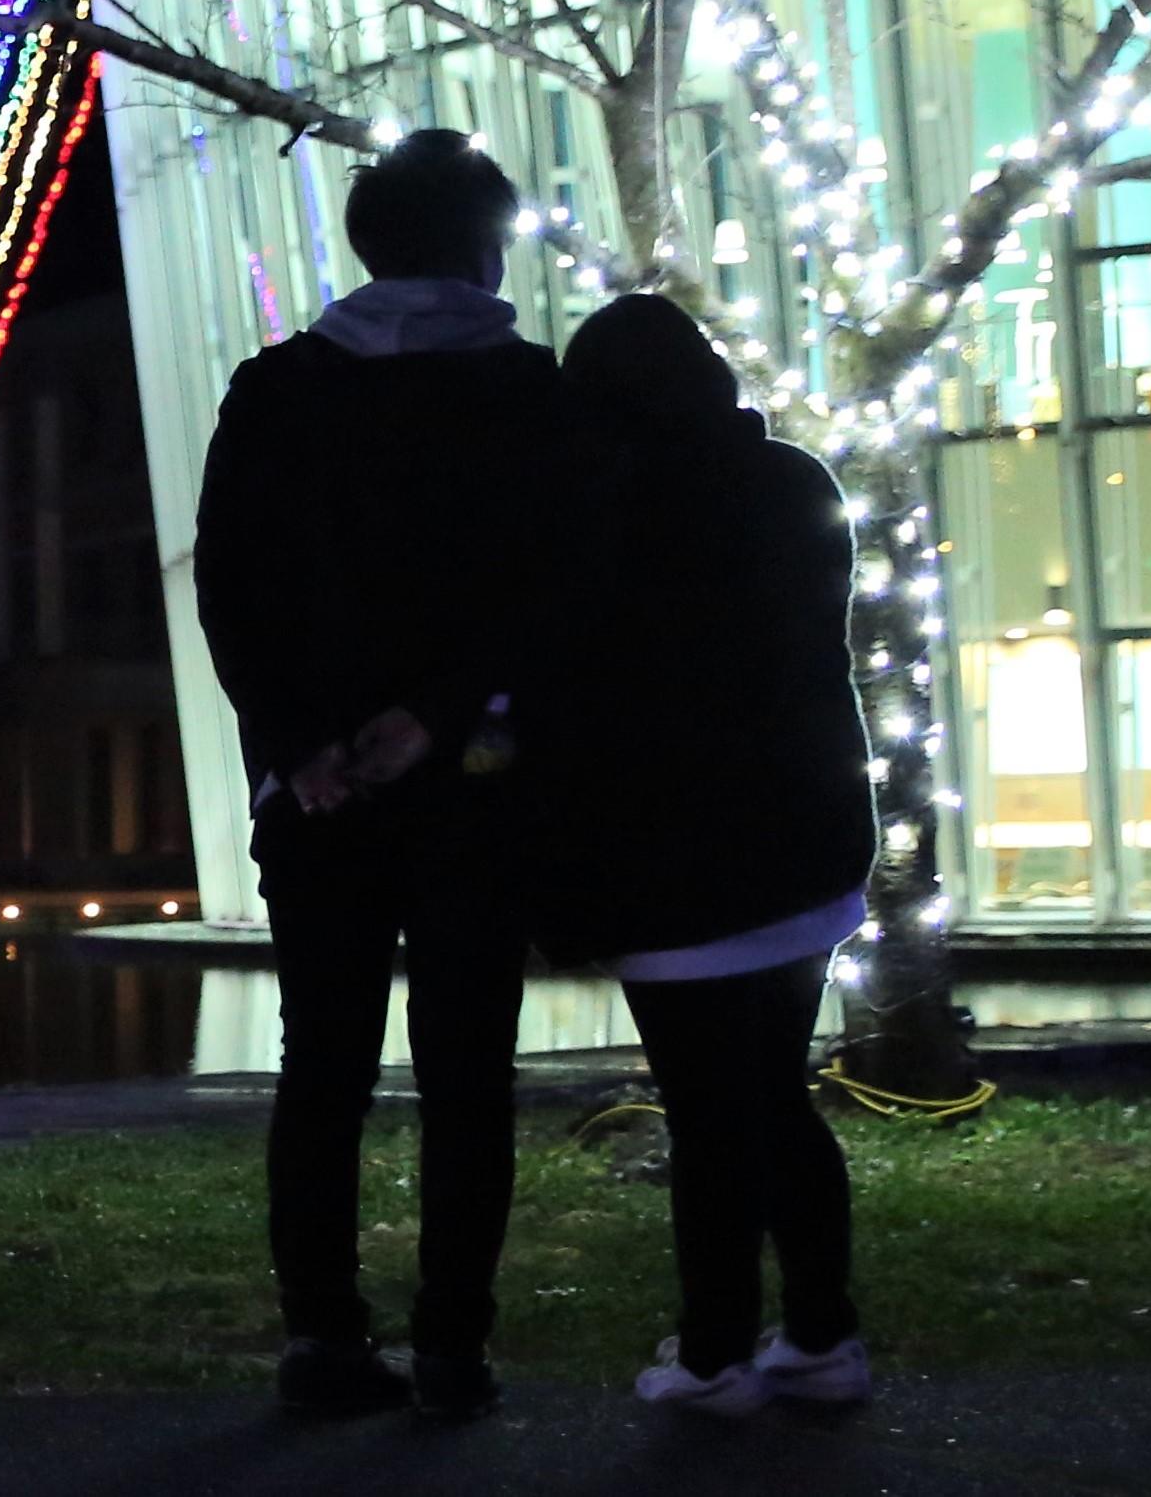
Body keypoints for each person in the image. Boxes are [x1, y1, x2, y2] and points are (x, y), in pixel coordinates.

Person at [192, 128, 567, 1422]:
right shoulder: (527, 391)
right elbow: (546, 589)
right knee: (467, 1070)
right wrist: (433, 711)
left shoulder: (275, 388)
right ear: (480, 242)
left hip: (318, 797)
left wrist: (301, 746)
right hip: (473, 781)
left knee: (322, 1069)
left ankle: (318, 1338)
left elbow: (230, 592)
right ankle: (452, 1343)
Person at [534, 293, 877, 1415]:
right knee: (776, 1091)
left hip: (673, 855)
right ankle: (819, 1331)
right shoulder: (796, 482)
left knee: (709, 1108)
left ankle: (715, 1349)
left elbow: (588, 685)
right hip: (803, 838)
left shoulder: (609, 505)